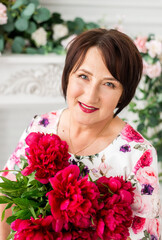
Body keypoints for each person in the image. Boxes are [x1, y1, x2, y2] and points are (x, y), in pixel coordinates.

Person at [0, 28, 161, 239]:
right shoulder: (41, 125)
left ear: (124, 94)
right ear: (68, 75)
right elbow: (6, 195)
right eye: (83, 76)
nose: (91, 95)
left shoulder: (138, 154)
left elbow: (147, 235)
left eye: (109, 84)